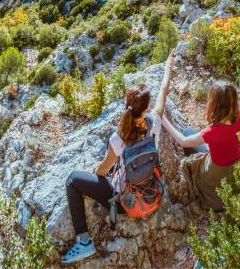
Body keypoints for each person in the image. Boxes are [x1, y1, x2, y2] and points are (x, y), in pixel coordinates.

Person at [60, 67, 173, 265]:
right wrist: (168, 68)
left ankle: (84, 241)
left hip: (124, 202)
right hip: (152, 192)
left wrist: (97, 171)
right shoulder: (155, 122)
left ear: (126, 106)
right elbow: (163, 91)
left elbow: (101, 171)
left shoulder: (118, 138)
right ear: (147, 108)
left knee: (72, 180)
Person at [161, 80, 240, 211]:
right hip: (236, 166)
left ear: (215, 104)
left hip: (215, 173)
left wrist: (163, 120)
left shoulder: (212, 132)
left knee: (187, 131)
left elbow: (183, 141)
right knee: (200, 141)